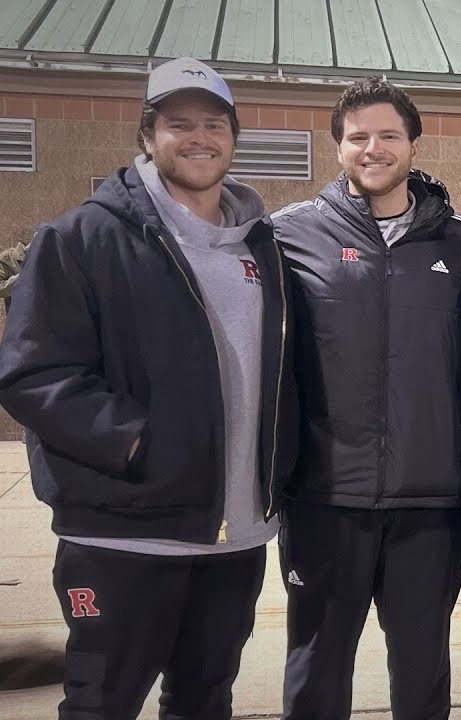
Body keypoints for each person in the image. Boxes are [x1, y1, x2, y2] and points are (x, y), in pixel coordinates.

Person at [0, 57, 298, 718]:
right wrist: (138, 444)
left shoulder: (262, 248)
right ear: (146, 136)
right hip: (123, 538)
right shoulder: (80, 238)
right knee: (102, 703)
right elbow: (32, 372)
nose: (198, 137)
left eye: (213, 124)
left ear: (233, 137)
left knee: (204, 699)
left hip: (236, 538)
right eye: (178, 123)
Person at [272, 77, 461, 719]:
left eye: (388, 135)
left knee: (422, 678)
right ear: (338, 147)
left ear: (414, 146)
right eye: (358, 136)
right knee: (316, 673)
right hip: (323, 498)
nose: (374, 148)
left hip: (431, 502)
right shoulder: (287, 236)